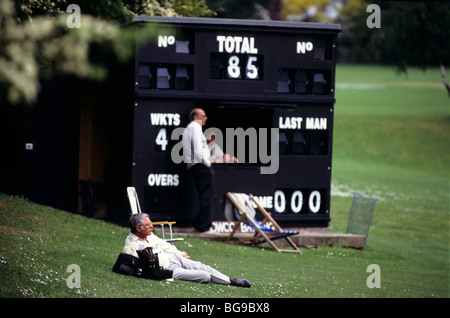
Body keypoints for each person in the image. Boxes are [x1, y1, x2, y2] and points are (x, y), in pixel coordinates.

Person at [122, 213, 251, 287]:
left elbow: (164, 244)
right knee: (204, 276)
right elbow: (130, 267)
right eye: (148, 225)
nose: (151, 226)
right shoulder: (131, 245)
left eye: (151, 223)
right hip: (167, 270)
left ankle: (232, 281)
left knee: (202, 266)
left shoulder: (149, 235)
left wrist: (179, 253)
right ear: (138, 228)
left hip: (172, 257)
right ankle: (229, 282)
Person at [182, 108, 216, 233]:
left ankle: (201, 223)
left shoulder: (190, 128)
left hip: (195, 165)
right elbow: (197, 150)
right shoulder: (195, 127)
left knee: (206, 195)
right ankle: (203, 225)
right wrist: (207, 163)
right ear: (196, 117)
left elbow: (196, 147)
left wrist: (207, 142)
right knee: (208, 196)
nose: (206, 118)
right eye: (204, 115)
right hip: (200, 165)